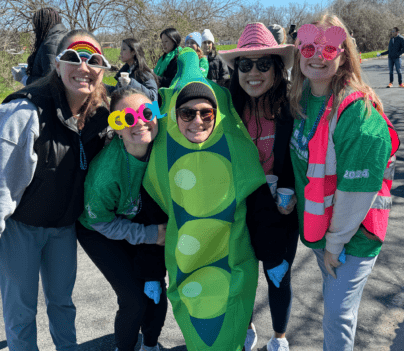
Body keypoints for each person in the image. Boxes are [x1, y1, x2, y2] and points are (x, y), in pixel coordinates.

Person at [0, 29, 111, 350]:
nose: (84, 67)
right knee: (21, 313)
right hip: (20, 228)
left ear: (103, 71)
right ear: (57, 64)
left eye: (94, 60)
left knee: (63, 304)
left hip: (62, 229)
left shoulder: (101, 115)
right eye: (73, 57)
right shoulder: (24, 114)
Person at [143, 47, 287, 351]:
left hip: (232, 263)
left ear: (216, 114)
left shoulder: (236, 152)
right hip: (186, 270)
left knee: (230, 331)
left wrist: (273, 255)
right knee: (200, 334)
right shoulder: (160, 163)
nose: (197, 120)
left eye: (205, 112)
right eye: (187, 113)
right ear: (175, 116)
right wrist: (151, 272)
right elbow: (152, 220)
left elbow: (259, 208)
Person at [289, 14, 399, 350]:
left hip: (351, 239)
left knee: (337, 318)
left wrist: (334, 244)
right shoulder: (304, 98)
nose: (317, 55)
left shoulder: (358, 113)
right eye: (308, 47)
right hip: (323, 232)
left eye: (329, 47)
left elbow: (357, 192)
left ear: (344, 54)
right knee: (333, 310)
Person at [220, 22, 297, 351]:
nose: (254, 72)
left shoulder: (293, 108)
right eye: (245, 65)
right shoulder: (225, 108)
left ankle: (279, 337)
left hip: (281, 212)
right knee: (242, 275)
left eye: (263, 64)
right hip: (239, 211)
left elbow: (302, 153)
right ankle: (247, 325)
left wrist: (290, 190)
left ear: (277, 69)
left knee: (278, 276)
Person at [76, 87, 168, 351]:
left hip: (136, 220)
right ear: (115, 127)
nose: (139, 122)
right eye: (126, 118)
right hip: (97, 229)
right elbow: (101, 222)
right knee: (133, 300)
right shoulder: (106, 173)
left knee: (155, 289)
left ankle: (150, 345)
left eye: (146, 113)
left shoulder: (162, 148)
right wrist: (150, 234)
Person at [12, 8, 68, 86]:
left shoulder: (51, 43)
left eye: (36, 25)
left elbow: (50, 83)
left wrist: (24, 79)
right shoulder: (64, 37)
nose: (35, 30)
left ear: (43, 24)